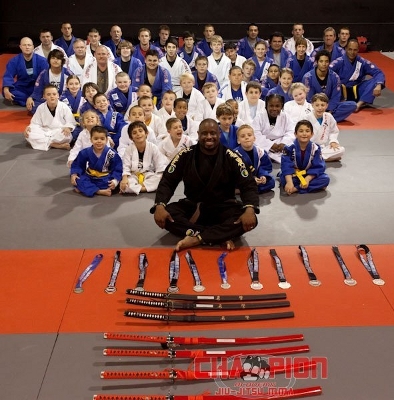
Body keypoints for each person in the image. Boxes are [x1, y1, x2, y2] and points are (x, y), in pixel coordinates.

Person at [151, 118, 259, 251]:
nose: (209, 137)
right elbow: (168, 180)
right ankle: (219, 235)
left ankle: (197, 237)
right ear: (198, 134)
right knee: (166, 216)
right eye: (204, 133)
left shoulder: (231, 157)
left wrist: (250, 209)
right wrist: (160, 205)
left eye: (213, 133)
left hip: (224, 207)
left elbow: (248, 184)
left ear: (219, 134)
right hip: (194, 206)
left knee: (248, 219)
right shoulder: (185, 155)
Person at [330, 38, 386, 112]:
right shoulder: (338, 62)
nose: (352, 52)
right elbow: (327, 73)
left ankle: (359, 104)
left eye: (355, 50)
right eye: (350, 49)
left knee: (375, 81)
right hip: (341, 93)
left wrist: (378, 85)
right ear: (346, 49)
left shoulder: (362, 62)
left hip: (357, 92)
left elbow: (378, 72)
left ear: (358, 50)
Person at [302, 49, 357, 122]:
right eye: (321, 61)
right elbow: (309, 98)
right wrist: (318, 108)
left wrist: (329, 110)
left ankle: (325, 118)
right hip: (314, 107)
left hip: (329, 107)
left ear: (329, 62)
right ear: (316, 62)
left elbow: (336, 97)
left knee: (352, 105)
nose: (324, 64)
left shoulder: (335, 76)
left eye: (326, 61)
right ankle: (327, 119)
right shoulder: (308, 77)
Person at [280, 119, 330, 195]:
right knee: (284, 179)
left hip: (309, 174)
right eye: (301, 131)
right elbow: (286, 165)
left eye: (307, 131)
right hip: (294, 175)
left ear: (312, 134)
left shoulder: (315, 148)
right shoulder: (289, 147)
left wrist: (308, 179)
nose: (304, 134)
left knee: (325, 179)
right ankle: (308, 187)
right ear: (295, 134)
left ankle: (296, 189)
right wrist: (289, 182)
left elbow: (319, 166)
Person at [70, 125, 122, 197]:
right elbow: (78, 164)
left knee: (113, 184)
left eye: (102, 139)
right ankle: (99, 191)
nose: (99, 141)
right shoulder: (86, 152)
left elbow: (118, 168)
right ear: (91, 139)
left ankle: (87, 189)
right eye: (96, 138)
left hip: (105, 177)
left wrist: (115, 181)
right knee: (78, 180)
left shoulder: (111, 153)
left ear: (106, 140)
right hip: (90, 176)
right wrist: (74, 174)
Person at [120, 121, 168, 195]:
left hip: (148, 174)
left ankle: (137, 189)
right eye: (134, 133)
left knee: (159, 179)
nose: (138, 134)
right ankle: (147, 188)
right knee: (125, 185)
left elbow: (160, 163)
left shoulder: (153, 147)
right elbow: (126, 165)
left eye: (140, 131)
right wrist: (125, 178)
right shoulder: (129, 149)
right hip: (134, 175)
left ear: (146, 133)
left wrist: (161, 174)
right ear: (131, 137)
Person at [24, 84, 76, 151]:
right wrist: (30, 127)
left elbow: (71, 121)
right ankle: (55, 145)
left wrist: (68, 127)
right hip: (45, 131)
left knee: (67, 136)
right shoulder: (41, 107)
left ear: (58, 95)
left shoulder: (64, 106)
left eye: (54, 94)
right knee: (29, 134)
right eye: (48, 94)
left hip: (59, 131)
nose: (52, 96)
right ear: (44, 96)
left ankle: (46, 142)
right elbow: (35, 123)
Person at [2, 37, 48, 106]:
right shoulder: (14, 60)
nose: (27, 47)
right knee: (6, 91)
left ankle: (27, 100)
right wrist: (6, 89)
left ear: (33, 47)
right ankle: (32, 101)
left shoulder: (42, 60)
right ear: (20, 47)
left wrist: (40, 92)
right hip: (22, 87)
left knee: (46, 93)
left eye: (29, 45)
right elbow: (8, 75)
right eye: (24, 45)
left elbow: (46, 77)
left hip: (37, 87)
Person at [251, 93, 295, 163]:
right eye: (271, 106)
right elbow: (255, 134)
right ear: (266, 106)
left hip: (281, 145)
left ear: (282, 106)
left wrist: (284, 143)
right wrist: (270, 145)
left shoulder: (286, 117)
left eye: (277, 106)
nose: (274, 109)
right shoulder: (259, 117)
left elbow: (291, 131)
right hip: (264, 146)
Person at [27, 49, 71, 113]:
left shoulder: (68, 73)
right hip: (48, 99)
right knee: (34, 106)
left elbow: (74, 87)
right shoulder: (44, 73)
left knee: (70, 105)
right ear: (49, 60)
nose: (55, 61)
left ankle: (51, 112)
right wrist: (31, 97)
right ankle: (54, 112)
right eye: (53, 58)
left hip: (63, 99)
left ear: (62, 61)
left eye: (58, 59)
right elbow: (38, 89)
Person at [234, 124, 275, 193]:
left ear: (254, 138)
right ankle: (248, 189)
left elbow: (265, 166)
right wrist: (251, 179)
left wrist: (263, 176)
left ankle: (244, 190)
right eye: (243, 136)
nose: (246, 138)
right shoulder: (234, 154)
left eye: (249, 135)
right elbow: (235, 172)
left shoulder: (260, 152)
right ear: (238, 140)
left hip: (257, 177)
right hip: (243, 179)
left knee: (271, 182)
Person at [305, 93, 345, 161]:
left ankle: (317, 158)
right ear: (312, 105)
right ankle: (324, 158)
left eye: (322, 105)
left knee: (341, 150)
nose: (320, 108)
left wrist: (333, 141)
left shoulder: (328, 116)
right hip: (308, 147)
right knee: (304, 154)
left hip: (322, 147)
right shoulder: (306, 118)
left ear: (327, 105)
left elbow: (334, 131)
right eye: (317, 105)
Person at [60, 75, 84, 141]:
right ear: (67, 85)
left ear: (80, 85)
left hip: (81, 122)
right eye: (71, 84)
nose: (74, 86)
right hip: (68, 122)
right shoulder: (62, 97)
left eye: (76, 84)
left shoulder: (84, 96)